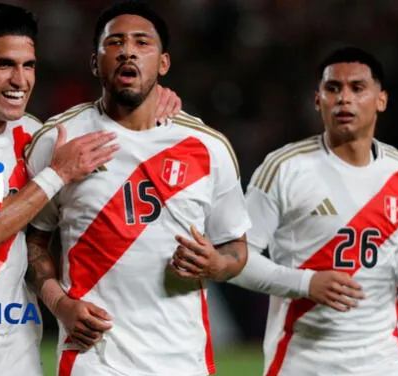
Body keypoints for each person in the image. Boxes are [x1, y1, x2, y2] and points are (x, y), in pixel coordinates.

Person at [0, 4, 182, 375]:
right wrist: (56, 174)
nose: (20, 80)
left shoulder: (30, 131)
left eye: (29, 65)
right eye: (5, 64)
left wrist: (154, 98)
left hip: (16, 344)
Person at [24, 1, 250, 375]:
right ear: (95, 62)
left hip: (182, 361)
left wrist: (216, 264)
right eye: (115, 42)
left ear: (163, 63)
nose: (128, 50)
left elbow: (236, 251)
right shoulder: (58, 140)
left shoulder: (209, 147)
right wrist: (60, 304)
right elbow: (31, 244)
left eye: (142, 42)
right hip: (92, 358)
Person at [230, 47, 398, 376]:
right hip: (304, 358)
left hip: (384, 357)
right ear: (318, 101)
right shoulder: (284, 168)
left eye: (357, 88)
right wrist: (306, 283)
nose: (344, 98)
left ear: (381, 100)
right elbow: (235, 261)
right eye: (333, 88)